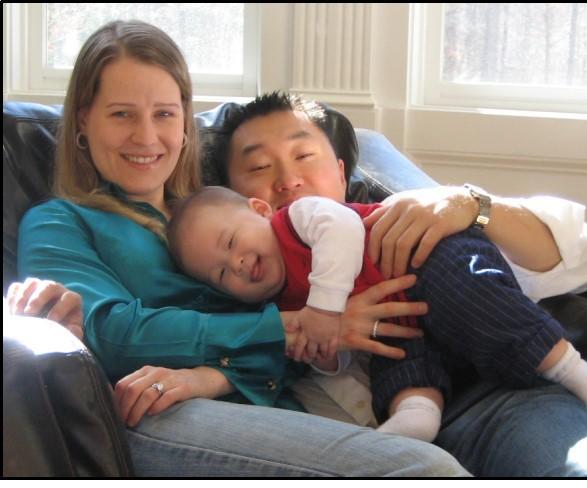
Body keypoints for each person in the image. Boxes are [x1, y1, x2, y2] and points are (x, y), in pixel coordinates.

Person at [14, 20, 469, 477]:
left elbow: (293, 344)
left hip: (269, 398)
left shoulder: (218, 211)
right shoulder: (59, 221)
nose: (147, 137)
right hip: (157, 413)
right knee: (423, 469)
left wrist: (214, 375)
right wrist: (292, 327)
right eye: (121, 114)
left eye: (164, 114)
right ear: (82, 120)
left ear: (185, 121)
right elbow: (110, 334)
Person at [212, 91, 587, 476]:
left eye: (304, 155)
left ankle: (566, 365)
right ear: (238, 199)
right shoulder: (234, 284)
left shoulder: (404, 218)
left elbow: (582, 260)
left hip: (500, 396)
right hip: (371, 437)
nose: (288, 179)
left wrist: (475, 207)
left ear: (341, 174)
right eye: (259, 167)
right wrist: (309, 332)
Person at [167, 186, 587, 443]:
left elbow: (342, 229)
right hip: (397, 314)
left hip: (429, 260)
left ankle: (568, 366)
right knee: (389, 350)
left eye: (231, 243)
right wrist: (327, 351)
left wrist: (323, 308)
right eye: (221, 274)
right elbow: (345, 351)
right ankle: (418, 411)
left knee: (478, 300)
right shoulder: (281, 309)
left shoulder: (297, 218)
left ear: (260, 209)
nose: (237, 264)